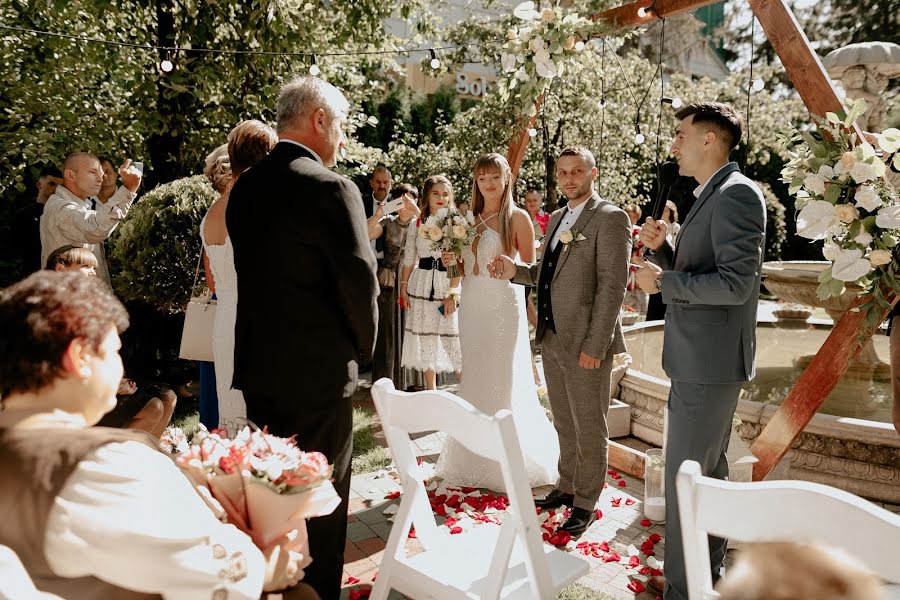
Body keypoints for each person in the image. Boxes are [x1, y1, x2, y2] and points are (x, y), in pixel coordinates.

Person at [0, 271, 307, 598]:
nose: (120, 366)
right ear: (79, 357)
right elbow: (204, 566)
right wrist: (268, 568)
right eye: (114, 352)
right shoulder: (101, 465)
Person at [226, 75, 378, 600]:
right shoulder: (332, 188)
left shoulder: (244, 187)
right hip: (318, 379)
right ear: (318, 120)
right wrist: (364, 355)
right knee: (321, 510)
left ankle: (275, 588)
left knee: (272, 501)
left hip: (262, 372)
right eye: (339, 127)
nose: (339, 141)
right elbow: (361, 286)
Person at [634, 101, 766, 600]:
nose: (674, 143)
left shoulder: (736, 195)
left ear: (709, 140)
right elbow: (706, 268)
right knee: (705, 475)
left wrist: (664, 280)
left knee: (684, 480)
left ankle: (682, 591)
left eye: (681, 133)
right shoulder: (711, 194)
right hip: (699, 361)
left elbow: (735, 285)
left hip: (708, 365)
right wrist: (665, 247)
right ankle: (700, 580)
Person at [490, 147, 631, 536]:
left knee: (590, 426)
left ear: (593, 173)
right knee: (565, 422)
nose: (570, 179)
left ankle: (586, 502)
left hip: (586, 342)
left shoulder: (610, 218)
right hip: (552, 339)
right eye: (563, 172)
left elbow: (612, 287)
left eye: (577, 172)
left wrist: (596, 346)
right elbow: (545, 272)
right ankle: (566, 486)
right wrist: (514, 270)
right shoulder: (554, 218)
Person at [436, 153, 559, 492]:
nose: (487, 184)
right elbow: (459, 271)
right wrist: (449, 261)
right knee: (475, 376)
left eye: (494, 177)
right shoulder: (467, 219)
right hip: (472, 308)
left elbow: (534, 274)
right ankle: (472, 459)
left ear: (506, 178)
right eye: (481, 178)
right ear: (475, 182)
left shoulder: (516, 218)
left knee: (502, 381)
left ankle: (507, 459)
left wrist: (510, 264)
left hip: (503, 308)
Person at [43, 244, 177, 435]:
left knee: (168, 398)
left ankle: (144, 459)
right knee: (153, 407)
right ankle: (113, 459)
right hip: (67, 398)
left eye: (94, 268)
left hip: (90, 385)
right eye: (85, 266)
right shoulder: (51, 310)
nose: (92, 273)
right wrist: (108, 386)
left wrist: (116, 380)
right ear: (60, 268)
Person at [202, 121, 278, 435]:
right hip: (256, 321)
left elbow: (212, 282)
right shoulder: (257, 207)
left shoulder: (211, 214)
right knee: (263, 417)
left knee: (231, 410)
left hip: (225, 320)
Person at [40, 152, 140, 287]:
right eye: (93, 172)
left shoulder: (80, 206)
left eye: (101, 173)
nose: (101, 178)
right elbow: (95, 229)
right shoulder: (60, 207)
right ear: (70, 175)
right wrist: (128, 189)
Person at [399, 175, 462, 390]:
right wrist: (404, 287)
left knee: (452, 339)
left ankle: (469, 389)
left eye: (445, 194)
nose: (441, 197)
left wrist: (452, 293)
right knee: (427, 340)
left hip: (446, 285)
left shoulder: (455, 224)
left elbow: (456, 266)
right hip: (421, 285)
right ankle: (430, 391)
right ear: (427, 195)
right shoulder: (416, 223)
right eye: (436, 193)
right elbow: (409, 259)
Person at [366, 169, 420, 382]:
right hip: (389, 281)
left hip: (415, 281)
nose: (405, 204)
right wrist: (378, 215)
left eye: (410, 200)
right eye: (401, 200)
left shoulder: (421, 223)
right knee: (387, 329)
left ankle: (413, 378)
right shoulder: (388, 221)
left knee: (413, 327)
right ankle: (387, 377)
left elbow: (438, 236)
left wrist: (418, 213)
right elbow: (365, 232)